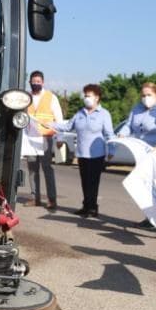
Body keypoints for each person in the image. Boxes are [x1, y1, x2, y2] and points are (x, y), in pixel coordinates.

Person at [50, 84, 115, 217]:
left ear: (97, 98)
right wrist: (50, 123)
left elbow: (109, 134)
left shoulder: (104, 114)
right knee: (84, 181)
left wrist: (112, 150)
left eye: (88, 96)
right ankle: (86, 206)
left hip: (97, 154)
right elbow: (67, 127)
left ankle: (93, 207)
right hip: (82, 154)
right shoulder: (80, 113)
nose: (86, 98)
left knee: (93, 182)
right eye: (85, 95)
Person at [120, 82, 156, 228]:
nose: (146, 98)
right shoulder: (136, 109)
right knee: (145, 189)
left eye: (149, 95)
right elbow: (128, 125)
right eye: (143, 95)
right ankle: (150, 217)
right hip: (141, 156)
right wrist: (122, 134)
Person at [22, 70, 63, 211]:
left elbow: (59, 119)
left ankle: (52, 199)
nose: (36, 84)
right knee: (32, 169)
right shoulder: (26, 97)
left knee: (47, 169)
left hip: (45, 137)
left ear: (43, 82)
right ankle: (35, 198)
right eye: (33, 82)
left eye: (38, 82)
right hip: (30, 138)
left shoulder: (51, 97)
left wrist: (60, 137)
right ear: (30, 83)